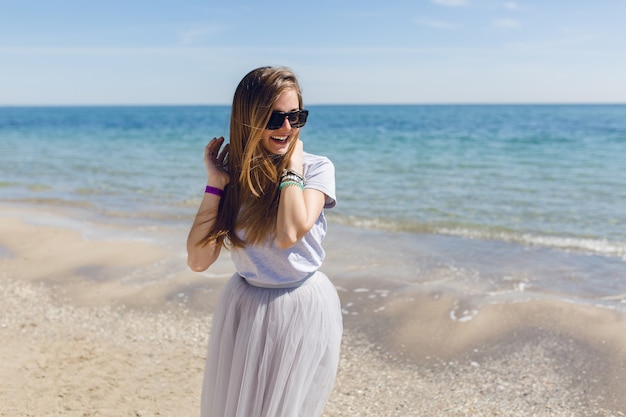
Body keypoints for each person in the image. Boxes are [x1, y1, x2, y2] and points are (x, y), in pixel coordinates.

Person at [187, 66, 342, 417]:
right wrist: (216, 183)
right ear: (249, 119)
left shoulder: (317, 169)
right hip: (245, 306)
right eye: (274, 118)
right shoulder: (235, 179)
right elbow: (198, 259)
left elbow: (290, 232)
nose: (287, 128)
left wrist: (292, 167)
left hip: (301, 305)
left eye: (295, 117)